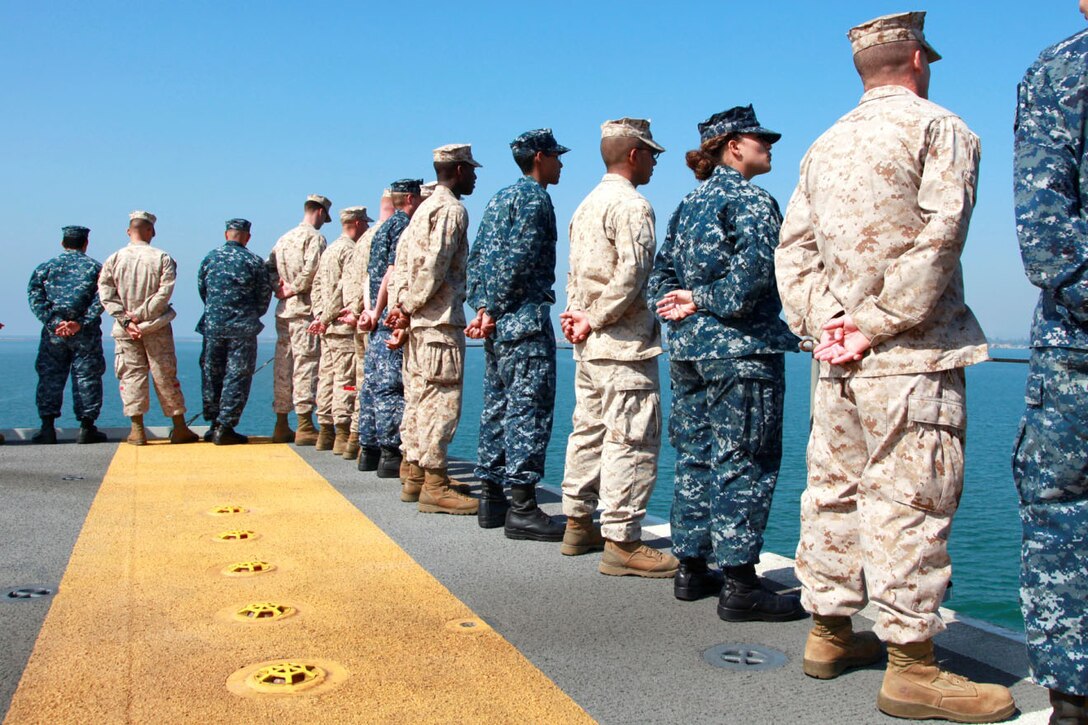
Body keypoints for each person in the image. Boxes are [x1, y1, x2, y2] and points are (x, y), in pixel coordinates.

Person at [775, 12, 1014, 722]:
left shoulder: (822, 146)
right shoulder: (942, 129)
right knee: (912, 500)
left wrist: (830, 326)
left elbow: (793, 252)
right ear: (916, 60)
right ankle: (911, 664)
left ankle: (830, 630)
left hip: (839, 362)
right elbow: (940, 241)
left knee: (833, 489)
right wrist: (874, 325)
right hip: (909, 355)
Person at [648, 106, 805, 621]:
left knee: (695, 455)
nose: (769, 146)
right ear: (733, 146)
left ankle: (692, 568)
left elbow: (660, 277)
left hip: (690, 351)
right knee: (746, 459)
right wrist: (703, 298)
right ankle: (739, 582)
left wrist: (682, 303)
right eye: (760, 139)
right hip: (740, 352)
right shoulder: (752, 200)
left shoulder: (688, 204)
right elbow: (753, 282)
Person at [1012, 3, 1088, 722]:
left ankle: (1072, 695)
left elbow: (1047, 237)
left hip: (1079, 346)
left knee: (1063, 511)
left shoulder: (1060, 68)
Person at [560, 118, 676, 577]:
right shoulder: (633, 206)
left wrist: (576, 318)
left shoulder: (585, 205)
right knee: (632, 438)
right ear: (633, 154)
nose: (654, 161)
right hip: (622, 344)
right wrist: (595, 317)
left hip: (588, 345)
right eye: (651, 153)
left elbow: (575, 273)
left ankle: (577, 522)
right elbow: (632, 274)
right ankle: (622, 540)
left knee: (588, 429)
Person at [466, 129, 569, 540]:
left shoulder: (497, 199)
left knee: (497, 405)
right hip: (522, 320)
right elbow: (518, 259)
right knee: (529, 410)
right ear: (540, 157)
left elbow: (478, 261)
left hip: (497, 324)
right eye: (557, 157)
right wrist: (499, 307)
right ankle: (523, 506)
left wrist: (483, 309)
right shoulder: (535, 198)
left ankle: (491, 498)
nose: (561, 164)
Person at [386, 144, 480, 514]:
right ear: (457, 170)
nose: (474, 176)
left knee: (418, 399)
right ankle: (435, 484)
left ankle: (414, 472)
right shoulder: (451, 209)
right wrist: (408, 307)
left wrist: (401, 310)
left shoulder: (422, 210)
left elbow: (400, 267)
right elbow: (435, 267)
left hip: (417, 322)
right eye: (470, 170)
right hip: (437, 322)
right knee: (440, 403)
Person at [98, 210, 199, 445]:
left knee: (131, 375)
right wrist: (141, 316)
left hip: (126, 330)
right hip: (156, 326)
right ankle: (179, 427)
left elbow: (106, 294)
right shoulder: (162, 257)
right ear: (151, 230)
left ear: (128, 231)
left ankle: (137, 430)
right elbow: (165, 292)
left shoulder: (113, 259)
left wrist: (126, 319)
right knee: (165, 374)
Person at [357, 180, 423, 478]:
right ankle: (388, 453)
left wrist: (369, 308)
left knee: (373, 384)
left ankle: (368, 449)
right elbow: (391, 272)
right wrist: (379, 310)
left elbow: (369, 274)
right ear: (410, 198)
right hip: (388, 316)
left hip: (377, 315)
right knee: (390, 389)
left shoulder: (381, 229)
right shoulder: (401, 228)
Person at [26, 225, 107, 444]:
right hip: (85, 334)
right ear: (85, 243)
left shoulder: (46, 268)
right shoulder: (96, 268)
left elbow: (35, 297)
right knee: (87, 377)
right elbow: (103, 298)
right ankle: (87, 428)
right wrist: (79, 323)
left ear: (63, 243)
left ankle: (48, 428)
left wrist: (54, 322)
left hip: (55, 334)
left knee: (50, 376)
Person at [196, 218, 273, 445]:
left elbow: (203, 290)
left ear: (226, 234)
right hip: (243, 328)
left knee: (212, 374)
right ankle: (225, 426)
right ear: (247, 236)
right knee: (236, 376)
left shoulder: (210, 258)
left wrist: (216, 313)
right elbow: (263, 297)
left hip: (213, 326)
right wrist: (250, 315)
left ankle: (213, 423)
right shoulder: (254, 261)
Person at [268, 194, 331, 445]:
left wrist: (279, 289)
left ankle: (281, 422)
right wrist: (294, 288)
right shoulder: (314, 238)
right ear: (319, 212)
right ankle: (304, 424)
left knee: (283, 365)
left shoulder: (283, 239)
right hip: (304, 309)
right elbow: (314, 271)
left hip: (284, 309)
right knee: (305, 364)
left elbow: (269, 268)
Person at [310, 206, 373, 454]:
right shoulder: (349, 250)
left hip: (327, 325)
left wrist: (319, 315)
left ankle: (325, 429)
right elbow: (343, 289)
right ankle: (343, 433)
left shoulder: (330, 250)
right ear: (357, 224)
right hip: (341, 324)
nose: (367, 228)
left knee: (327, 377)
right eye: (364, 224)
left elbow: (316, 286)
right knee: (347, 383)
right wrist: (327, 317)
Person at [339, 190, 394, 462]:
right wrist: (372, 312)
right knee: (383, 386)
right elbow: (388, 276)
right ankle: (365, 444)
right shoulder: (395, 231)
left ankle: (357, 443)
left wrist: (356, 311)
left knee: (366, 383)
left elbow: (357, 279)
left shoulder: (364, 240)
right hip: (379, 318)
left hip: (362, 318)